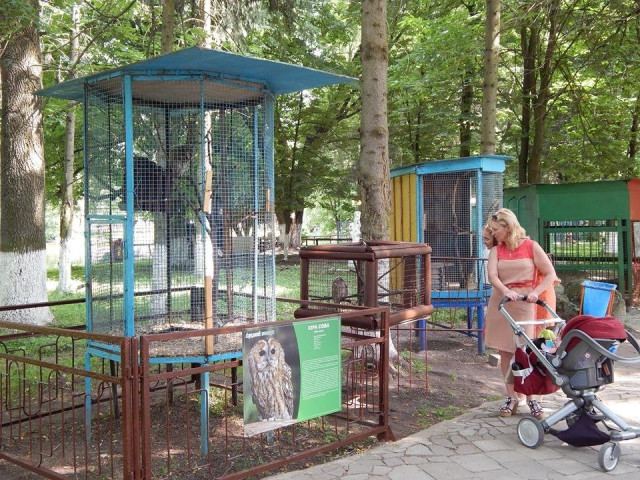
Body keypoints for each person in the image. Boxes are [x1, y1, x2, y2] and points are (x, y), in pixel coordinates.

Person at [485, 208, 557, 418]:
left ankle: (532, 397)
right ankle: (512, 397)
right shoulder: (496, 251)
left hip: (525, 302)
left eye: (496, 229)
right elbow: (492, 276)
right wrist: (505, 290)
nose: (493, 233)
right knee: (505, 351)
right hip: (502, 301)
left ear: (508, 227)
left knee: (526, 350)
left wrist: (536, 292)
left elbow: (549, 273)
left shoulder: (531, 246)